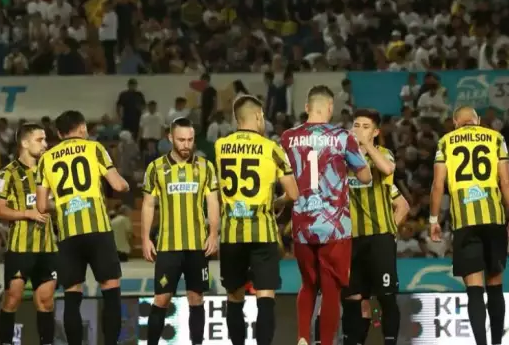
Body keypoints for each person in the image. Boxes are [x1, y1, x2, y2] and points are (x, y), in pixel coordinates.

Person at [280, 86, 371, 345]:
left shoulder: (287, 138)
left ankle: (302, 337)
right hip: (335, 226)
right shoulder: (343, 137)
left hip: (302, 223)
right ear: (330, 108)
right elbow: (366, 176)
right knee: (331, 288)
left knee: (308, 285)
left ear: (307, 107)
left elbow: (284, 179)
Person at [36, 110, 130, 345]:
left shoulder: (46, 158)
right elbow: (118, 185)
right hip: (98, 229)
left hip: (68, 234)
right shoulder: (94, 148)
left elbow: (41, 205)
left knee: (72, 296)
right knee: (111, 291)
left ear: (59, 134)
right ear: (82, 128)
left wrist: (65, 203)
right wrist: (127, 185)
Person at [429, 106, 509, 345]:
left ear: (455, 122)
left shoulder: (445, 142)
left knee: (474, 289)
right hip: (493, 219)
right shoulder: (495, 138)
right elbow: (506, 181)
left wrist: (434, 219)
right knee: (495, 284)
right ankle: (497, 343)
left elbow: (438, 184)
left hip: (464, 222)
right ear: (477, 120)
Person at [214, 95, 299, 345]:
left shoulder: (220, 146)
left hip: (231, 234)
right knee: (265, 297)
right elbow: (293, 193)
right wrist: (278, 202)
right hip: (263, 232)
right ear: (259, 117)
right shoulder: (271, 148)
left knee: (234, 298)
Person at [141, 117, 220, 345]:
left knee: (196, 298)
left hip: (197, 245)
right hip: (168, 245)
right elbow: (148, 204)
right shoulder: (156, 168)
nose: (186, 144)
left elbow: (213, 202)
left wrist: (213, 234)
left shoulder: (205, 167)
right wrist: (145, 238)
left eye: (190, 140)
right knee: (161, 299)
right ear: (170, 138)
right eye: (181, 140)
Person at [342, 109, 409, 345]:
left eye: (365, 127)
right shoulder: (343, 160)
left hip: (380, 238)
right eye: (356, 125)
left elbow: (388, 170)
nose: (359, 130)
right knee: (353, 298)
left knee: (386, 297)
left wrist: (390, 230)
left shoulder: (382, 154)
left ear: (375, 132)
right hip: (351, 239)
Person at [0, 123, 57, 345]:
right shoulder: (8, 173)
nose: (45, 144)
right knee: (13, 298)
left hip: (48, 247)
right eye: (40, 140)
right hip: (20, 248)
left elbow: (58, 203)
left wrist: (54, 206)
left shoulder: (49, 171)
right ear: (25, 143)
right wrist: (27, 213)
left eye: (45, 139)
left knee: (46, 301)